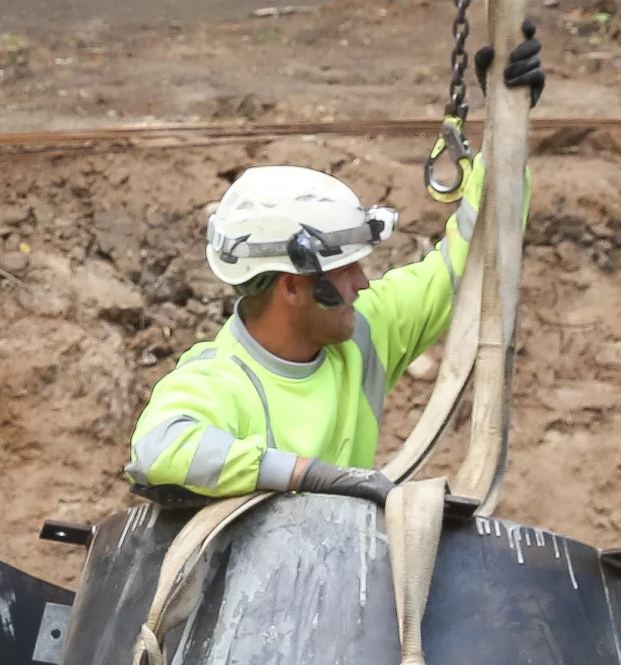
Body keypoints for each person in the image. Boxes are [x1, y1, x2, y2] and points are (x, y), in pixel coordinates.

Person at [124, 36, 541, 510]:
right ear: (293, 285)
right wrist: (312, 476)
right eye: (345, 270)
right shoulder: (218, 381)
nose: (363, 282)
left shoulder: (365, 331)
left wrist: (507, 133)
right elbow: (158, 451)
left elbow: (476, 259)